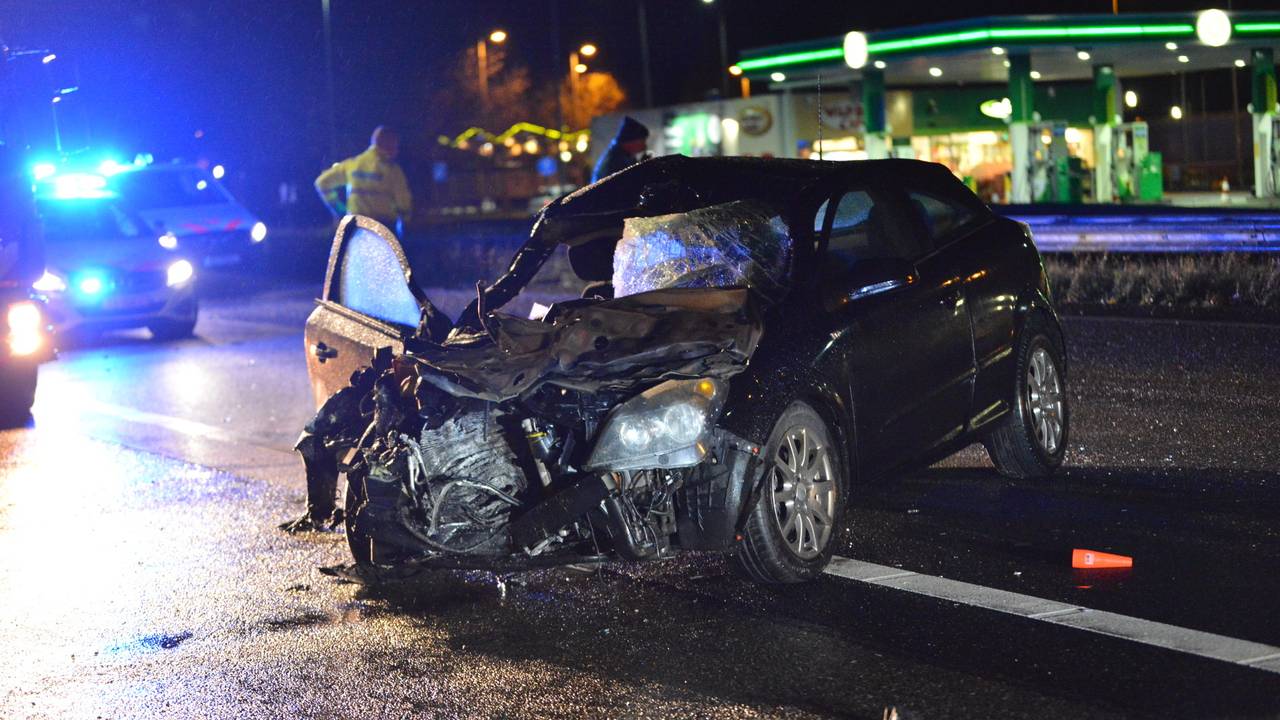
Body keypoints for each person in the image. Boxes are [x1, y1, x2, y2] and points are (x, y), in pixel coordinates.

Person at [315, 125, 412, 233]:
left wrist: (338, 208)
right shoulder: (392, 170)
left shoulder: (353, 164)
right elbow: (403, 203)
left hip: (355, 227)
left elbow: (321, 182)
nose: (396, 150)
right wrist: (404, 218)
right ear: (386, 143)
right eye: (394, 145)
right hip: (383, 228)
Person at [591, 116, 649, 183]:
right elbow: (628, 183)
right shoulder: (615, 161)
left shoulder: (624, 156)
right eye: (642, 141)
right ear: (630, 142)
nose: (644, 146)